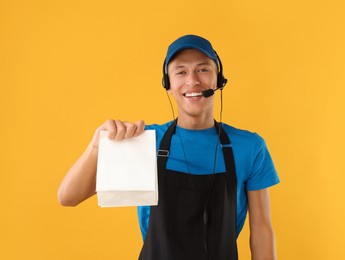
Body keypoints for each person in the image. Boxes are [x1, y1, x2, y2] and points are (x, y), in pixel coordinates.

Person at [58, 34, 280, 260]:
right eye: (181, 72)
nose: (192, 81)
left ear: (218, 79)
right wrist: (96, 147)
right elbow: (68, 197)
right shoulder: (143, 141)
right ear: (169, 85)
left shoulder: (250, 147)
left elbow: (261, 231)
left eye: (203, 69)